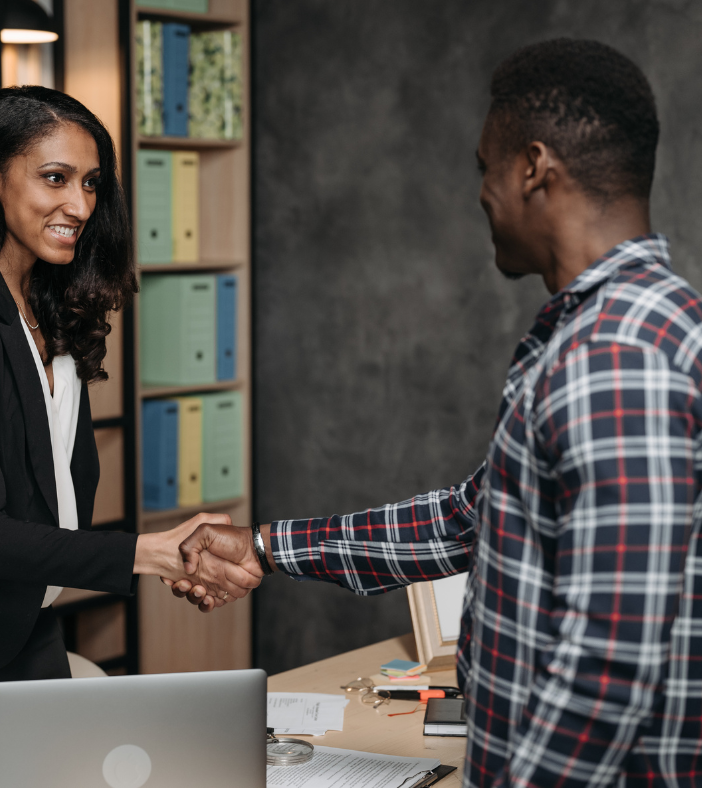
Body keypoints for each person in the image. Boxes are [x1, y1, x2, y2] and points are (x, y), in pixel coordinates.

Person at [171, 39, 702, 788]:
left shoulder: (615, 357)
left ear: (533, 167)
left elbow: (609, 663)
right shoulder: (613, 334)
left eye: (484, 166)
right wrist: (263, 546)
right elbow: (469, 517)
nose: (481, 192)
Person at [0, 86, 257, 787]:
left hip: (21, 621)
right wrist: (151, 554)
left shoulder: (42, 302)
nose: (81, 206)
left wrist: (162, 560)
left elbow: (48, 493)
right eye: (54, 178)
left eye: (91, 183)